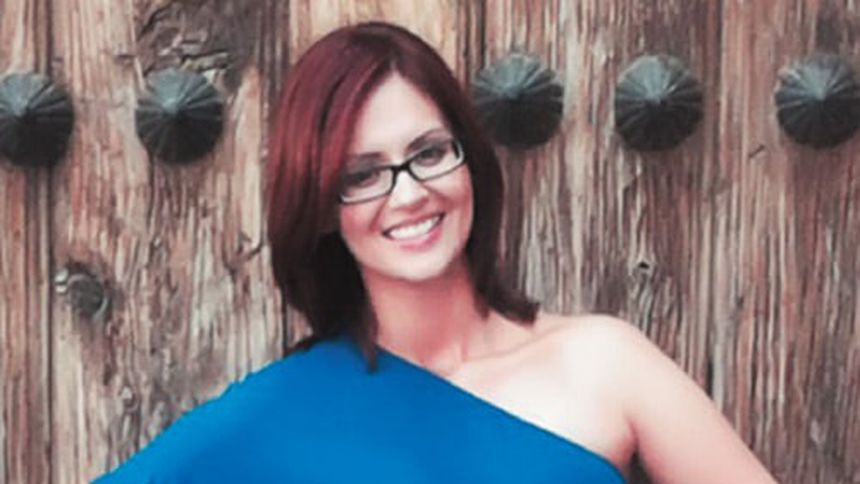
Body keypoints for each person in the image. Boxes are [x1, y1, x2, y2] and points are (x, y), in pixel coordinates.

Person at [94, 21, 778, 483]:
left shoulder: (603, 361)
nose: (409, 193)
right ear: (323, 207)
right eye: (363, 174)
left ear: (468, 158)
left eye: (427, 153)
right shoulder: (275, 411)